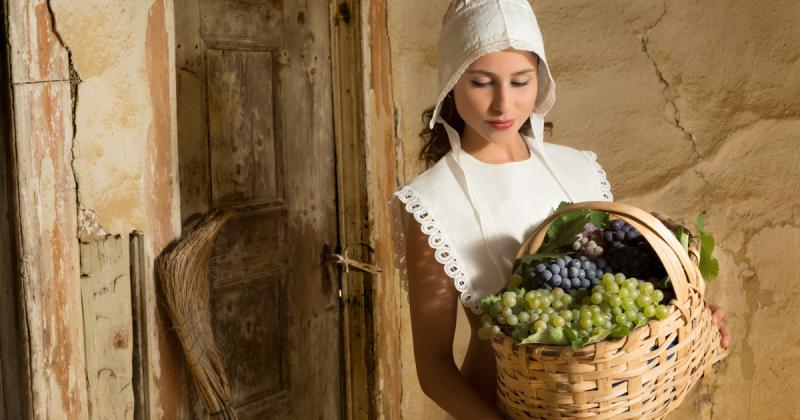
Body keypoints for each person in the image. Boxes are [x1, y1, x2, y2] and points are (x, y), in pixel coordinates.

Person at [389, 1, 730, 419]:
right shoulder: (432, 202)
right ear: (452, 81)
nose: (503, 105)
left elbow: (624, 288)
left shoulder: (579, 169)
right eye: (481, 82)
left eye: (520, 82)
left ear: (541, 79)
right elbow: (434, 368)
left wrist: (687, 323)